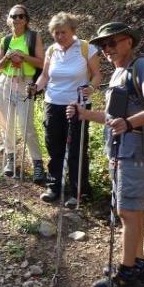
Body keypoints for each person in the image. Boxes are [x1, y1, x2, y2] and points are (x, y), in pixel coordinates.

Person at [68, 22, 144, 287]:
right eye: (103, 46)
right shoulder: (118, 73)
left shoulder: (142, 66)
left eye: (112, 43)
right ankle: (137, 264)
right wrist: (85, 114)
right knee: (133, 210)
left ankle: (125, 274)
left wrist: (129, 123)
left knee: (127, 210)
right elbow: (114, 119)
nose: (107, 49)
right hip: (120, 149)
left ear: (128, 41)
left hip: (135, 150)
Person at [35, 13, 102, 207]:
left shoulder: (85, 48)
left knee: (76, 148)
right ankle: (54, 186)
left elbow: (97, 74)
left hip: (77, 105)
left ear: (73, 31)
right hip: (52, 103)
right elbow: (45, 77)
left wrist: (91, 87)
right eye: (55, 33)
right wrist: (35, 88)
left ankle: (80, 191)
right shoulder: (51, 51)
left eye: (63, 32)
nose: (59, 36)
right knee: (53, 145)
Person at [0, 4, 45, 181]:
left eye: (20, 16)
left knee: (26, 125)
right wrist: (8, 56)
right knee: (5, 122)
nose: (17, 19)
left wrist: (22, 56)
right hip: (5, 83)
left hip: (25, 82)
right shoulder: (5, 40)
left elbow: (41, 63)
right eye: (13, 16)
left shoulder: (33, 37)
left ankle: (37, 163)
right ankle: (11, 157)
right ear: (9, 20)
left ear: (26, 19)